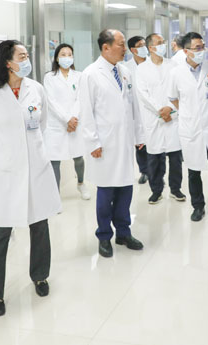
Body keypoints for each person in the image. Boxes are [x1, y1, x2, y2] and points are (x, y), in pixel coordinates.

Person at [0, 40, 61, 317]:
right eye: (21, 56)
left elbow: (42, 124)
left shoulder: (36, 89)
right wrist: (4, 155)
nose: (26, 60)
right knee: (1, 232)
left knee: (39, 224)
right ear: (7, 62)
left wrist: (29, 151)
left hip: (35, 167)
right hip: (7, 172)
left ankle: (40, 276)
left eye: (27, 55)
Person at [79, 30, 146, 258]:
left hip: (124, 142)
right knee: (106, 193)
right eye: (120, 44)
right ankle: (104, 236)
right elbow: (85, 111)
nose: (125, 48)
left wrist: (139, 136)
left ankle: (124, 233)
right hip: (104, 145)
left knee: (126, 190)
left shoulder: (124, 72)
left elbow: (134, 106)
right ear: (105, 47)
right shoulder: (90, 74)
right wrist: (93, 142)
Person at [168, 32, 208, 222]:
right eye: (197, 48)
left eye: (203, 47)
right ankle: (198, 206)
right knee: (193, 170)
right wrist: (191, 112)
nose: (201, 50)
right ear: (186, 51)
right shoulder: (176, 72)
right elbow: (173, 99)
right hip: (191, 128)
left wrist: (206, 107)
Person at [136, 33, 186, 204]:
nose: (163, 45)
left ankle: (175, 189)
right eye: (159, 43)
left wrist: (169, 109)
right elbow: (143, 94)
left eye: (163, 42)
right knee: (154, 158)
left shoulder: (173, 65)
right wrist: (160, 110)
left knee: (175, 157)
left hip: (172, 116)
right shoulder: (141, 69)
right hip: (153, 117)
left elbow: (179, 89)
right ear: (150, 48)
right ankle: (156, 191)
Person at [43, 43, 90, 200]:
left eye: (69, 54)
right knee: (54, 160)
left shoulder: (79, 76)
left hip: (74, 123)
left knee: (78, 157)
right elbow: (51, 101)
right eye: (63, 54)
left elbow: (80, 99)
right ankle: (55, 195)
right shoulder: (49, 77)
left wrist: (73, 119)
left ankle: (81, 183)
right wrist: (66, 119)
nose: (67, 57)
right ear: (57, 58)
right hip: (56, 124)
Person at [124, 35, 151, 185]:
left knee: (155, 143)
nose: (144, 48)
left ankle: (156, 173)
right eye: (140, 45)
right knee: (140, 144)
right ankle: (144, 171)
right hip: (135, 111)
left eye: (144, 44)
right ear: (133, 50)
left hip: (153, 110)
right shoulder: (126, 68)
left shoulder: (153, 64)